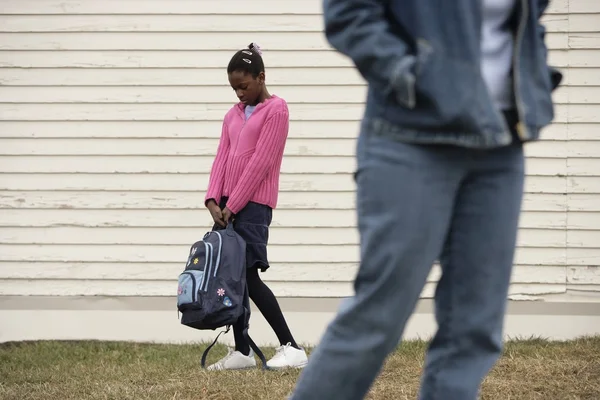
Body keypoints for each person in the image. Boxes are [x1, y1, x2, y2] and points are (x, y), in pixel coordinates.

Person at [290, 0, 562, 399]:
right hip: (411, 136)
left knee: (475, 328)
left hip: (501, 143)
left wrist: (534, 74)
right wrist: (409, 76)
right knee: (379, 315)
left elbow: (526, 18)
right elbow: (349, 13)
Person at [203, 42, 308, 371]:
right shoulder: (231, 116)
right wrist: (212, 200)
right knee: (232, 278)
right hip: (226, 207)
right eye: (234, 88)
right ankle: (243, 351)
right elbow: (221, 158)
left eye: (244, 86)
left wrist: (232, 206)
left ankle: (291, 346)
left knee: (247, 275)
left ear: (261, 78)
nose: (238, 94)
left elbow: (261, 163)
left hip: (253, 206)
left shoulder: (277, 111)